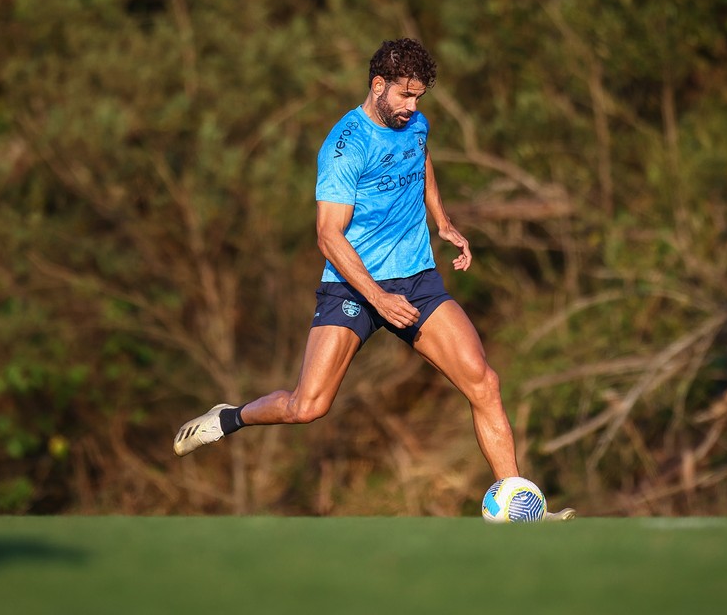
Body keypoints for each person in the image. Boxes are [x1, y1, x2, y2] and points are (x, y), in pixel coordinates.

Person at [172, 38, 574, 521]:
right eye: (405, 95)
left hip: (417, 280)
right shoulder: (345, 147)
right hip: (353, 286)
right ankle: (229, 417)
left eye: (418, 97)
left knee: (484, 383)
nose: (413, 107)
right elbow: (328, 236)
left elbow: (420, 159)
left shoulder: (414, 124)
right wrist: (379, 298)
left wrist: (442, 221)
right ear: (378, 85)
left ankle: (519, 508)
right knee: (307, 407)